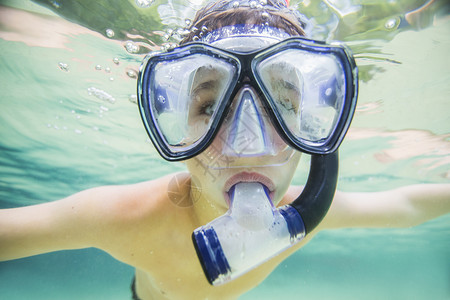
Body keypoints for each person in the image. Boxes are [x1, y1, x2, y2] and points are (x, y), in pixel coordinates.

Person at [0, 1, 449, 299]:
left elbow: (405, 204)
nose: (246, 143)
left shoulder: (300, 216)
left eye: (284, 104)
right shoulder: (129, 217)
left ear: (313, 127)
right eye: (210, 104)